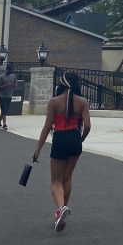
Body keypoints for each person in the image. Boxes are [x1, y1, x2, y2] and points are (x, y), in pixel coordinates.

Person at [32, 71, 91, 233]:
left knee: (55, 181)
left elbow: (47, 127)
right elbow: (87, 126)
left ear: (62, 84)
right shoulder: (82, 102)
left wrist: (38, 149)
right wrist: (81, 139)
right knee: (67, 177)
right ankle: (62, 211)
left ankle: (61, 208)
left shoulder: (54, 102)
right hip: (74, 140)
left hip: (60, 139)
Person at [0, 64, 17, 130]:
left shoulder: (13, 76)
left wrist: (13, 85)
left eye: (11, 70)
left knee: (6, 110)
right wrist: (6, 85)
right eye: (9, 70)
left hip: (9, 95)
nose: (10, 71)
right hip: (2, 96)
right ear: (6, 69)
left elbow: (15, 84)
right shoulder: (1, 77)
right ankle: (4, 124)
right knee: (4, 109)